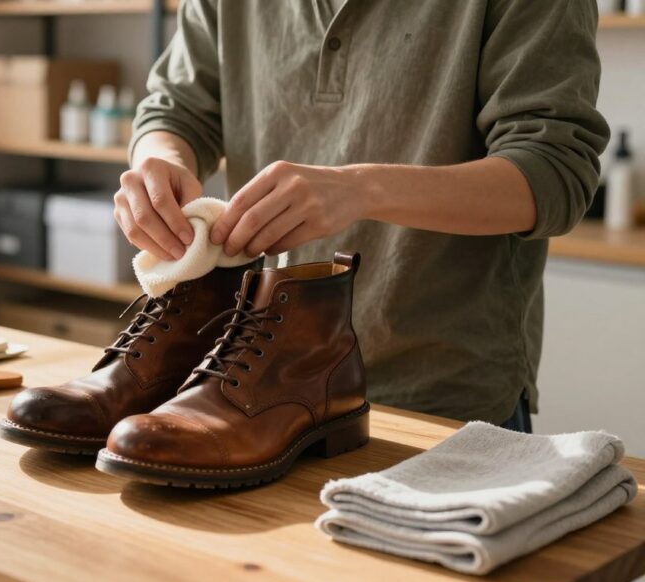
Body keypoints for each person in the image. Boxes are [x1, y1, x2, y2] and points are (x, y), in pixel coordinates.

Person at [113, 0, 609, 432]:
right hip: (260, 379)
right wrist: (161, 160)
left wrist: (359, 188)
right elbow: (176, 108)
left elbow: (554, 173)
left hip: (444, 395)